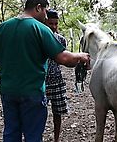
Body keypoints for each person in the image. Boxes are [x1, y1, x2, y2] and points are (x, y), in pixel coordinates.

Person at [0, 0, 90, 142]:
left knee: (11, 131)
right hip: (32, 91)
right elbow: (63, 58)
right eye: (45, 11)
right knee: (33, 135)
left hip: (8, 91)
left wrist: (14, 64)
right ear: (38, 8)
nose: (46, 16)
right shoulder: (40, 29)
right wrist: (81, 56)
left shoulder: (4, 27)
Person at [44, 10, 68, 142]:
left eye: (55, 24)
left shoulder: (61, 40)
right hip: (41, 81)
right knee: (39, 113)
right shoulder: (38, 39)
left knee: (57, 112)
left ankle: (56, 139)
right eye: (50, 23)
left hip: (57, 80)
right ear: (45, 23)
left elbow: (64, 59)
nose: (53, 26)